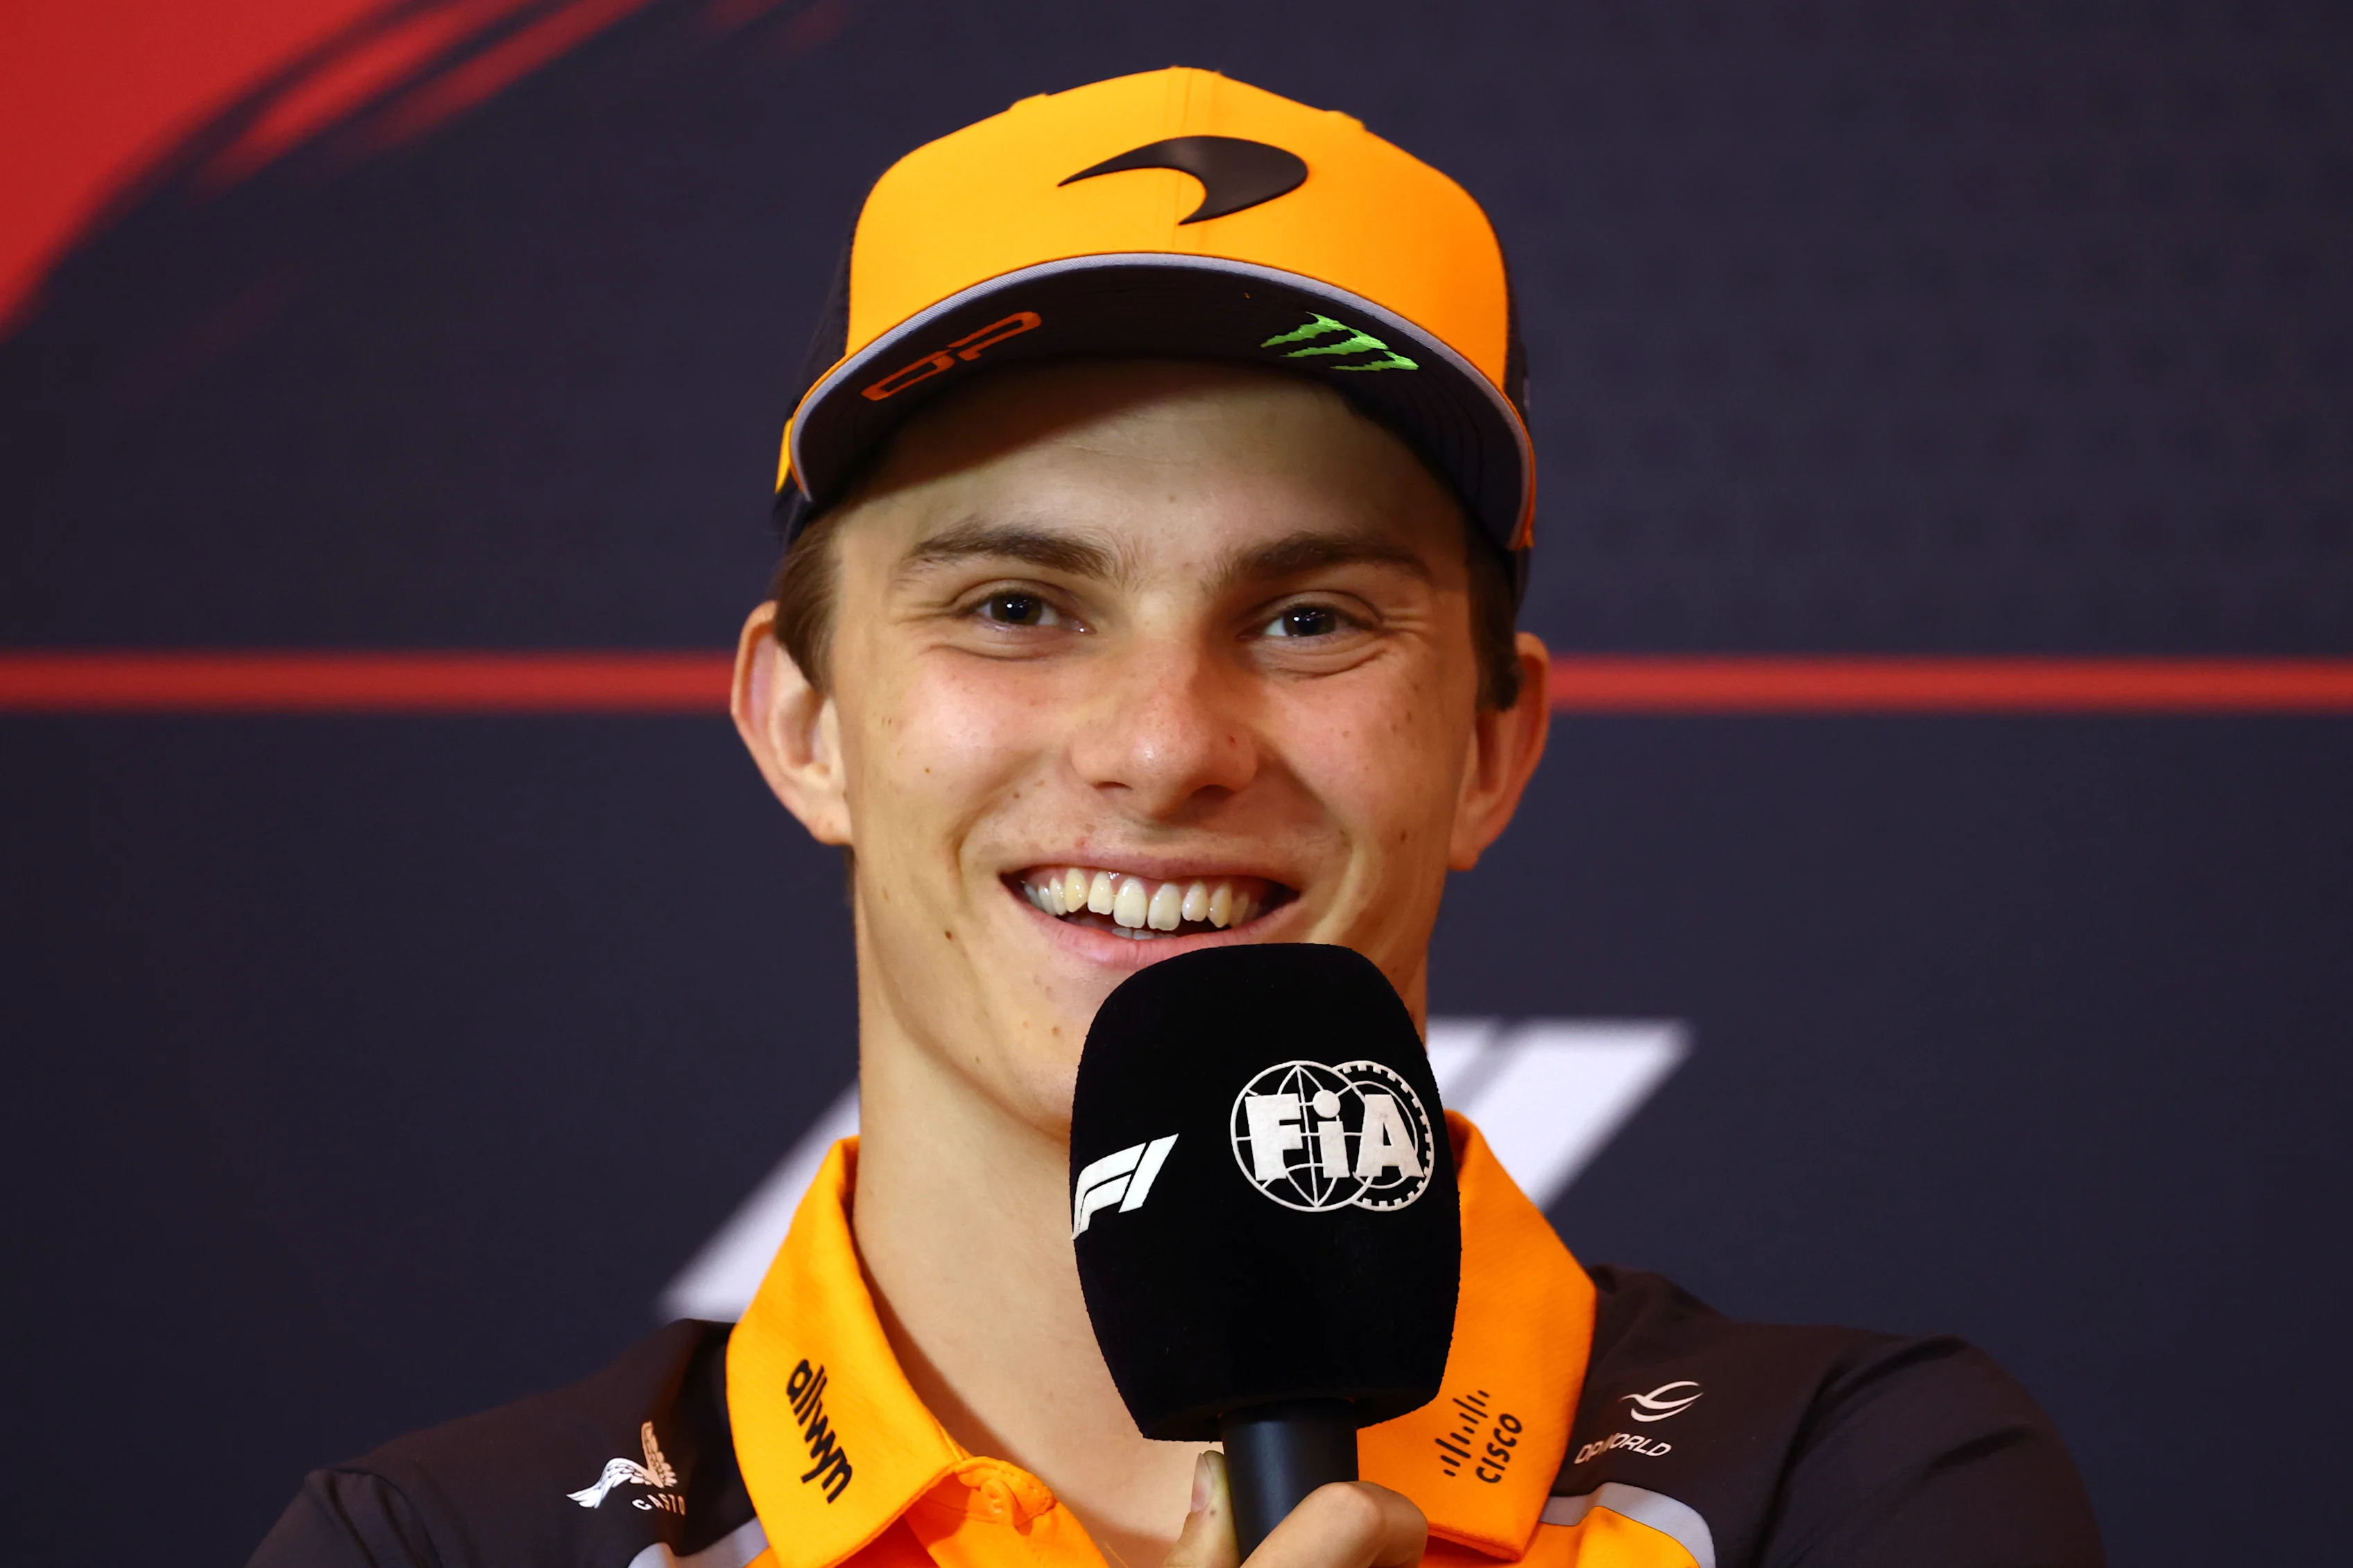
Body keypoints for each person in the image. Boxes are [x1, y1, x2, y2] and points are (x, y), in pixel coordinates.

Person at [252, 67, 2104, 1568]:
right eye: (1016, 605)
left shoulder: (1845, 1489)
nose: (1163, 747)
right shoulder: (438, 1546)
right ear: (804, 725)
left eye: (1307, 618)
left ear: (1490, 745)